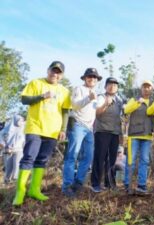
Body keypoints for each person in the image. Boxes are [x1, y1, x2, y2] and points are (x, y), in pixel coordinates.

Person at [13, 61, 71, 206]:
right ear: (48, 70)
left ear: (61, 75)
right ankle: (20, 192)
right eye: (53, 70)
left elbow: (65, 111)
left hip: (52, 131)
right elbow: (24, 99)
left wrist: (63, 129)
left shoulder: (64, 91)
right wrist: (42, 96)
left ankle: (34, 189)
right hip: (35, 127)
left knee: (42, 160)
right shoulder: (35, 83)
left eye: (58, 72)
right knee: (29, 157)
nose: (55, 74)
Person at [62, 68, 102, 197]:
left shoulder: (96, 93)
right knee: (72, 155)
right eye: (89, 76)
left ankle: (78, 183)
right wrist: (88, 99)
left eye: (95, 77)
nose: (92, 79)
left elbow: (95, 112)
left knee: (88, 157)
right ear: (85, 78)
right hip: (78, 125)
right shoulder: (79, 89)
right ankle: (67, 186)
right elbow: (75, 105)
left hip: (89, 129)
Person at [91, 77, 123, 192]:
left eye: (115, 85)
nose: (112, 86)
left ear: (117, 88)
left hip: (115, 133)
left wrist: (121, 136)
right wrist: (105, 104)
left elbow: (120, 119)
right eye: (110, 84)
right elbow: (96, 113)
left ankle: (110, 184)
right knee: (99, 158)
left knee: (111, 160)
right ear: (105, 86)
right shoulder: (101, 97)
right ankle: (95, 184)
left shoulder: (119, 100)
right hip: (102, 132)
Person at [123, 80, 154, 194]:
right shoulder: (134, 99)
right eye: (144, 87)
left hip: (147, 136)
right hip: (134, 135)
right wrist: (137, 103)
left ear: (152, 89)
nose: (146, 89)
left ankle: (142, 185)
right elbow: (126, 110)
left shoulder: (153, 102)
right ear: (141, 89)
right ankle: (128, 184)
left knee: (144, 160)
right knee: (130, 160)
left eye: (148, 87)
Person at [0, 115, 25, 184]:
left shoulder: (24, 129)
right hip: (8, 151)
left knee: (17, 165)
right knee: (8, 167)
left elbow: (25, 140)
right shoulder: (6, 129)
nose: (21, 122)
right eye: (20, 120)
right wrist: (5, 147)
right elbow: (1, 139)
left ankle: (15, 181)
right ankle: (6, 181)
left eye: (22, 120)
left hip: (19, 150)